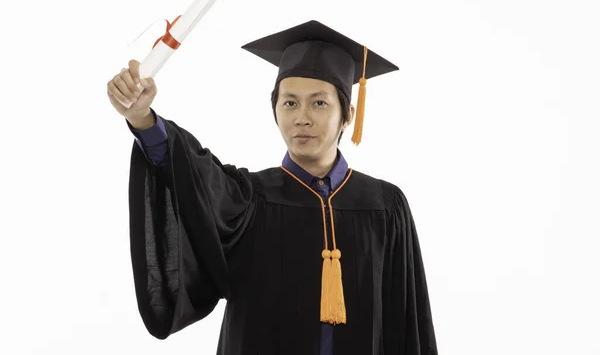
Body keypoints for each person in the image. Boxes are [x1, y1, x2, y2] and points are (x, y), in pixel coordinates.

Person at [107, 20, 438, 355]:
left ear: (348, 114)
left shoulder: (385, 205)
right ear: (275, 110)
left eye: (319, 103)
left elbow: (408, 320)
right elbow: (190, 174)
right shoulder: (250, 200)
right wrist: (143, 120)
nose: (302, 118)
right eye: (290, 103)